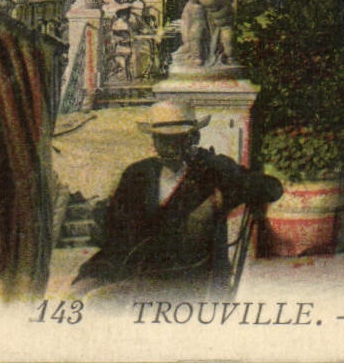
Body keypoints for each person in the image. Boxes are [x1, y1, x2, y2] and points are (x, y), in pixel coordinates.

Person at [70, 101, 281, 302]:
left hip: (189, 280)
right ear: (153, 140)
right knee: (76, 295)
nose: (169, 147)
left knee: (96, 302)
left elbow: (271, 188)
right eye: (162, 139)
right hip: (135, 269)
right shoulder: (139, 173)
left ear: (193, 137)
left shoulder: (210, 171)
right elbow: (116, 235)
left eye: (177, 139)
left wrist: (219, 184)